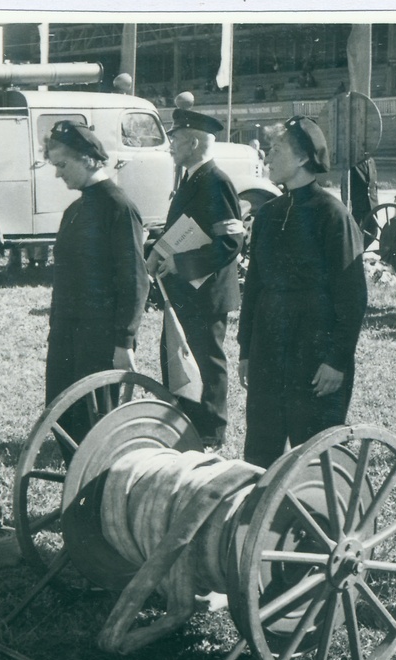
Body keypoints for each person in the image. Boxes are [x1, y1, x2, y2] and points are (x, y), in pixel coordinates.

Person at [238, 116, 368, 468]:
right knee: (261, 452)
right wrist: (246, 350)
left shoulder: (333, 215)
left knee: (314, 457)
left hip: (313, 353)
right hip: (268, 348)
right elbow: (254, 286)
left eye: (276, 150)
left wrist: (337, 360)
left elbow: (352, 297)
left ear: (301, 158)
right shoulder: (268, 214)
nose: (267, 158)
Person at [44, 120, 148, 458]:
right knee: (62, 414)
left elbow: (134, 279)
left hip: (98, 337)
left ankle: (97, 494)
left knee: (93, 423)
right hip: (66, 334)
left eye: (62, 165)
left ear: (88, 159)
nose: (58, 175)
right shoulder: (75, 209)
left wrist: (125, 340)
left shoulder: (118, 207)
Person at [148, 109, 245, 450]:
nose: (170, 145)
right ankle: (186, 425)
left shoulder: (217, 181)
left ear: (192, 142)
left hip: (206, 292)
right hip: (186, 290)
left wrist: (180, 264)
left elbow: (232, 242)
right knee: (180, 358)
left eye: (175, 139)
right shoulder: (191, 178)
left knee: (206, 361)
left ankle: (211, 433)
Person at [340, 156, 378, 227]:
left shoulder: (371, 161)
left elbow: (374, 185)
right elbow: (345, 186)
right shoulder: (353, 164)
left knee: (372, 230)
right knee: (357, 230)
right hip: (358, 206)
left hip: (371, 205)